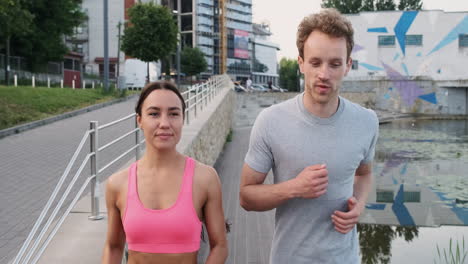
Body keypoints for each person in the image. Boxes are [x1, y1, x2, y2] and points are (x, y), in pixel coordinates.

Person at [239, 8, 378, 264]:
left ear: (348, 65)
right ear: (301, 63)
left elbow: (364, 173)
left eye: (335, 64)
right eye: (315, 62)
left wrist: (358, 205)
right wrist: (294, 188)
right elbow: (246, 196)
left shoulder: (367, 121)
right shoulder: (270, 121)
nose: (324, 74)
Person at [102, 81, 228, 264]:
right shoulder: (117, 184)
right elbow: (113, 247)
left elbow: (220, 246)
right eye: (154, 114)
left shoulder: (205, 179)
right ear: (140, 120)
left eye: (173, 114)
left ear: (182, 119)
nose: (164, 123)